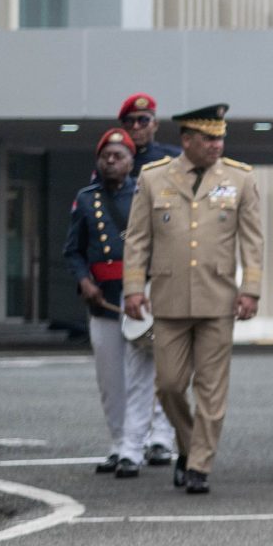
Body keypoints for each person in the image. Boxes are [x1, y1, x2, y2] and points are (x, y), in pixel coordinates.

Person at [121, 106, 262, 495]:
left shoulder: (239, 179)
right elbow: (136, 238)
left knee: (211, 390)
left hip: (218, 298)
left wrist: (250, 289)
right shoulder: (154, 178)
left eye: (220, 138)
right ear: (187, 140)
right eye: (209, 139)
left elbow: (252, 240)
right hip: (168, 298)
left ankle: (199, 465)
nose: (217, 145)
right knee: (168, 385)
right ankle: (187, 445)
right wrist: (134, 287)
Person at [66, 127, 175, 476]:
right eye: (106, 156)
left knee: (146, 378)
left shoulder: (146, 196)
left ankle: (148, 441)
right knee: (111, 382)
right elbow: (73, 251)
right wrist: (84, 281)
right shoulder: (85, 199)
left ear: (132, 162)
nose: (111, 162)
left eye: (119, 156)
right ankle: (119, 443)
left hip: (140, 300)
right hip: (103, 302)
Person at [116, 92, 182, 178]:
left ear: (155, 125)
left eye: (143, 120)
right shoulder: (113, 159)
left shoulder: (175, 157)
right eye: (129, 121)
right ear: (123, 126)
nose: (136, 127)